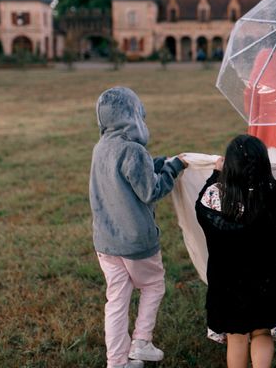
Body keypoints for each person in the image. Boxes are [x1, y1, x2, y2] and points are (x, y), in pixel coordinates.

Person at [89, 86, 188, 368]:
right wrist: (173, 168)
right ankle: (142, 342)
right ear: (133, 116)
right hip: (135, 241)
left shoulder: (101, 148)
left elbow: (129, 175)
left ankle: (117, 362)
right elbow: (150, 190)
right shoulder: (133, 150)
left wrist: (158, 162)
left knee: (117, 301)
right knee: (153, 285)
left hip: (106, 241)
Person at [195, 134, 276, 368]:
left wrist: (215, 173)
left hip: (226, 286)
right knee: (262, 333)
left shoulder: (214, 195)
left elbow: (199, 209)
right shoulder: (273, 195)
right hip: (265, 283)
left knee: (236, 337)